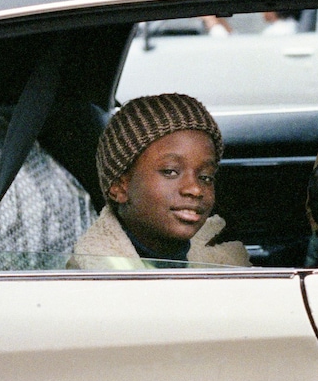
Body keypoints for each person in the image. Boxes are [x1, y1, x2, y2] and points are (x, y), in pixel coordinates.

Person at [68, 93, 251, 268]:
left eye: (205, 177)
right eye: (170, 172)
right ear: (120, 187)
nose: (195, 189)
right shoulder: (95, 272)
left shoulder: (222, 264)